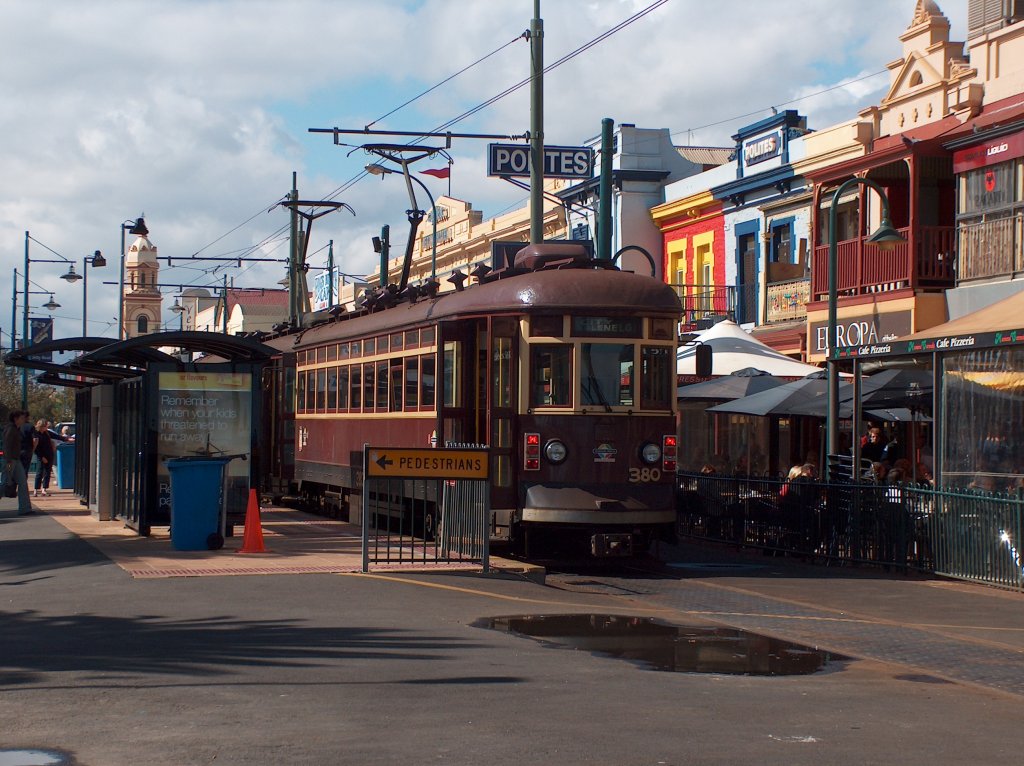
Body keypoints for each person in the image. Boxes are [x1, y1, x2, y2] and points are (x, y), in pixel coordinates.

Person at [3, 410, 33, 515]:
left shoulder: (16, 429)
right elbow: (7, 445)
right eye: (21, 418)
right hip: (10, 460)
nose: (23, 419)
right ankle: (25, 508)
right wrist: (8, 461)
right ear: (16, 418)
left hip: (15, 459)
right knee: (6, 483)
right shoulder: (11, 429)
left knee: (22, 482)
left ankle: (25, 508)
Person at [32, 419, 55, 497]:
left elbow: (57, 436)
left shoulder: (47, 433)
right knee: (39, 472)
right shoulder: (36, 434)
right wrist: (42, 457)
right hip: (41, 455)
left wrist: (66, 439)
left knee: (47, 473)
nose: (46, 427)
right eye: (45, 426)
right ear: (41, 426)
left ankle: (44, 489)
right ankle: (35, 489)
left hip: (49, 454)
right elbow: (36, 448)